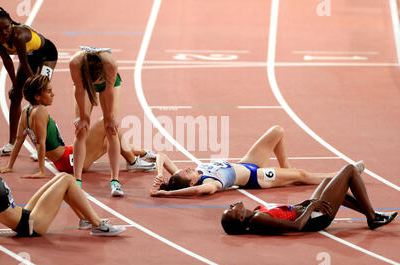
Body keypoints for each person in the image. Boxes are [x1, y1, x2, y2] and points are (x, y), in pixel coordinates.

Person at [0, 134, 126, 246]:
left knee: (61, 178)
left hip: (26, 214)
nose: (0, 152)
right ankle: (97, 225)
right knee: (67, 178)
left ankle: (86, 220)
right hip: (30, 226)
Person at [0, 75, 155, 179]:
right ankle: (133, 162)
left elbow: (19, 140)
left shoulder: (26, 111)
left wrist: (9, 166)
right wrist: (41, 171)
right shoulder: (40, 111)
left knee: (108, 141)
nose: (53, 94)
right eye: (48, 91)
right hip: (69, 160)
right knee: (107, 122)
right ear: (37, 96)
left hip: (65, 157)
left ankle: (142, 153)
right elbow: (40, 143)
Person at [150, 125, 336, 197]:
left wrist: (160, 173)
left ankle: (287, 171)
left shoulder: (195, 173)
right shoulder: (208, 183)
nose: (189, 168)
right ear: (191, 181)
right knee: (302, 175)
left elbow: (162, 156)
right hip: (257, 177)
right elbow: (198, 191)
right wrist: (166, 195)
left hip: (248, 163)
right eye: (188, 172)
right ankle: (337, 177)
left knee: (278, 131)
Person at [221, 161, 398, 234]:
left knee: (331, 182)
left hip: (308, 210)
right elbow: (296, 226)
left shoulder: (257, 212)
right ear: (241, 218)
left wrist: (304, 203)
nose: (231, 205)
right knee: (349, 170)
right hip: (315, 219)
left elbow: (287, 212)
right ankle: (373, 217)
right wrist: (312, 207)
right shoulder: (258, 219)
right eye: (231, 210)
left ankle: (372, 215)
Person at [0, 7, 58, 155]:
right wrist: (15, 85)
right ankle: (11, 143)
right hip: (31, 56)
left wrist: (36, 88)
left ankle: (43, 146)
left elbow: (24, 64)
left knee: (39, 98)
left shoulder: (18, 35)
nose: (4, 32)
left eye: (7, 27)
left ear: (11, 24)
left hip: (47, 55)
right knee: (15, 96)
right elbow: (7, 61)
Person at [69, 46, 123, 196]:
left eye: (98, 80)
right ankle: (77, 181)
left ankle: (115, 181)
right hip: (83, 85)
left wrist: (110, 118)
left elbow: (109, 91)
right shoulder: (75, 64)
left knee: (111, 130)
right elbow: (79, 90)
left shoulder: (111, 65)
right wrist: (83, 118)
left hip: (109, 86)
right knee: (81, 130)